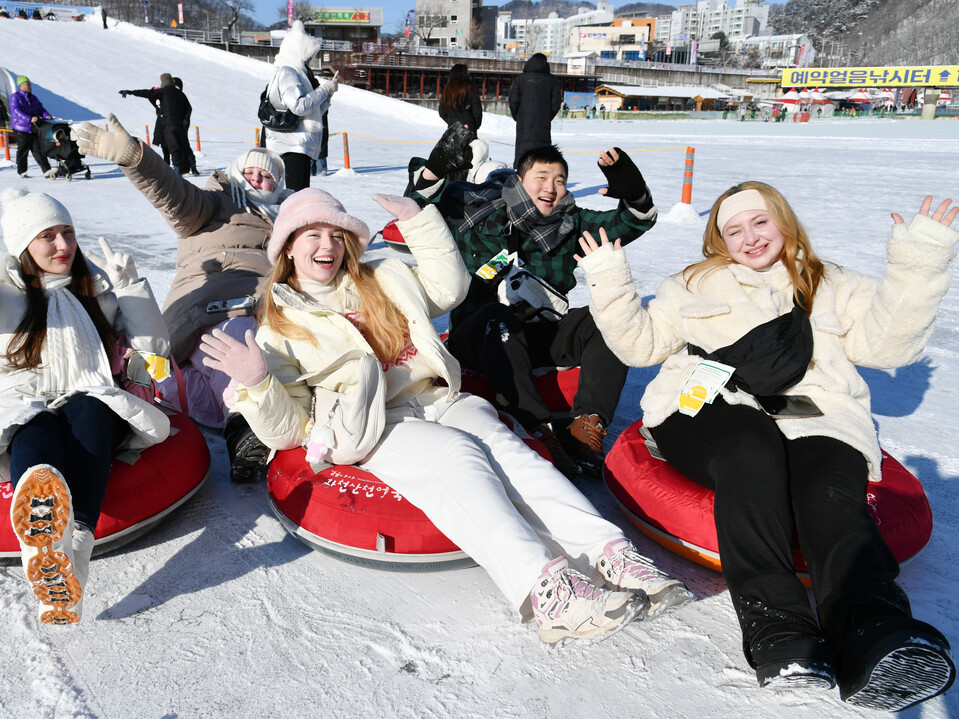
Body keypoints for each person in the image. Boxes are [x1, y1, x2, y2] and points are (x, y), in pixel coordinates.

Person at [198, 187, 691, 640]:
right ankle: (549, 594)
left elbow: (449, 288)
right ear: (287, 247)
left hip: (439, 397)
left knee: (507, 450)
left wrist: (421, 225)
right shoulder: (281, 325)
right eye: (311, 234)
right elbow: (290, 432)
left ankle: (611, 554)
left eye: (335, 233)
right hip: (374, 425)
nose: (326, 244)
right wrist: (258, 382)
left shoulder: (383, 277)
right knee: (456, 454)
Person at [576, 182, 957, 709]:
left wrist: (918, 264)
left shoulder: (832, 283)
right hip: (705, 410)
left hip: (814, 410)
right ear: (719, 239)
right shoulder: (692, 283)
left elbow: (888, 344)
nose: (750, 238)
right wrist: (609, 281)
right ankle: (780, 631)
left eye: (759, 222)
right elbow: (639, 347)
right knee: (749, 446)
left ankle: (876, 631)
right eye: (734, 229)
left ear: (783, 220)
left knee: (829, 486)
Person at [0, 181, 172, 624]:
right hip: (22, 398)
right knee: (33, 426)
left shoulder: (96, 288)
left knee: (89, 409)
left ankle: (73, 556)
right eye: (48, 235)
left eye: (67, 232)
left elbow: (154, 348)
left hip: (93, 396)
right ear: (23, 244)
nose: (63, 244)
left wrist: (131, 289)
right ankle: (42, 521)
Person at [405, 129, 658, 476]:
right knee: (498, 316)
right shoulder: (474, 209)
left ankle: (586, 428)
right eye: (541, 177)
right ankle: (536, 429)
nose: (550, 187)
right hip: (479, 334)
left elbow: (631, 222)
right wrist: (435, 168)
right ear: (520, 179)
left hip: (540, 332)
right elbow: (416, 206)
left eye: (560, 180)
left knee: (610, 317)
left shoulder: (572, 221)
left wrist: (635, 192)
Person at [75, 113, 287, 482]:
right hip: (213, 308)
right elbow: (172, 193)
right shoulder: (213, 204)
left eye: (266, 175)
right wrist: (135, 158)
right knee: (237, 343)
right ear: (236, 175)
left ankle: (160, 384)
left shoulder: (287, 219)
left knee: (190, 387)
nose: (257, 178)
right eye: (250, 171)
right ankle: (244, 429)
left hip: (266, 307)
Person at [263, 20, 337, 191]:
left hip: (296, 145)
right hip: (290, 146)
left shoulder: (296, 73)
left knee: (299, 196)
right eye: (307, 56)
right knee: (295, 198)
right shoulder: (288, 72)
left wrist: (327, 98)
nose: (310, 60)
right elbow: (299, 106)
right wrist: (324, 90)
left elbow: (310, 112)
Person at [119, 73, 196, 176]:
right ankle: (187, 168)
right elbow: (188, 108)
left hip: (167, 126)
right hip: (179, 125)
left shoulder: (162, 92)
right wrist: (185, 121)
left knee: (172, 147)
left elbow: (147, 93)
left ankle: (177, 170)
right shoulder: (180, 94)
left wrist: (131, 92)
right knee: (183, 146)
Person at [508, 53, 561, 167]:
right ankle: (541, 178)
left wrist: (519, 117)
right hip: (543, 123)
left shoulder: (520, 79)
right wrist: (547, 116)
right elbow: (556, 104)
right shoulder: (553, 81)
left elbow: (513, 101)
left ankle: (521, 178)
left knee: (523, 151)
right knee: (543, 154)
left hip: (524, 121)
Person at [438, 63, 482, 181]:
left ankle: (451, 186)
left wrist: (452, 122)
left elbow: (442, 112)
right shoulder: (471, 89)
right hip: (469, 130)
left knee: (452, 162)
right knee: (469, 162)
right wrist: (473, 126)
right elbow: (477, 113)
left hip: (452, 131)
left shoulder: (447, 91)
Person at [9, 75, 53, 178]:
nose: (29, 86)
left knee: (38, 149)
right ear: (20, 86)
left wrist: (46, 115)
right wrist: (29, 118)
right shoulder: (15, 97)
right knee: (23, 150)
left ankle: (46, 170)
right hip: (21, 128)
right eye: (27, 84)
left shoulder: (33, 98)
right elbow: (15, 111)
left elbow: (41, 108)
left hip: (34, 127)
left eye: (29, 84)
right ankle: (22, 171)